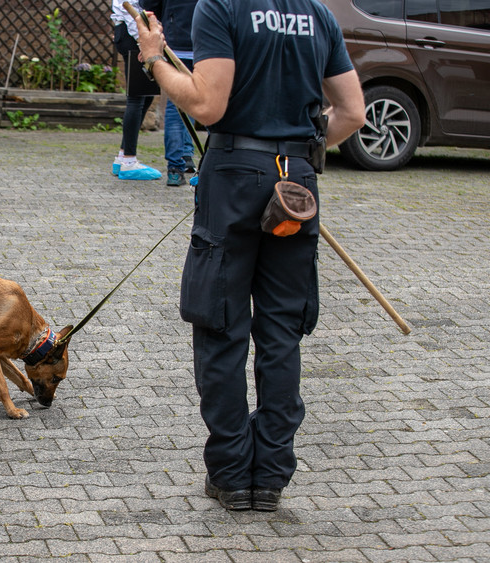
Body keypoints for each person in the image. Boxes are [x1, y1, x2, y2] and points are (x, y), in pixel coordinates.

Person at [133, 1, 365, 511]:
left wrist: (154, 58)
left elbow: (208, 106)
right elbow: (352, 112)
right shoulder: (317, 13)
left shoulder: (221, 7)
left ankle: (233, 476)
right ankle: (270, 478)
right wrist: (300, 156)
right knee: (282, 333)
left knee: (220, 325)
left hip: (235, 174)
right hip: (295, 180)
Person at [110, 1, 162, 181]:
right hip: (133, 34)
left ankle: (123, 156)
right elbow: (131, 9)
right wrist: (142, 42)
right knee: (136, 97)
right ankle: (129, 162)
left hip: (130, 32)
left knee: (146, 95)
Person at [152, 0, 198, 186]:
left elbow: (149, 4)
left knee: (176, 104)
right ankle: (191, 159)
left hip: (177, 37)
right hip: (208, 40)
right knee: (202, 100)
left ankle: (176, 167)